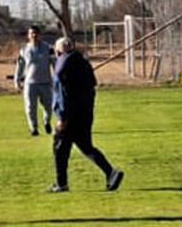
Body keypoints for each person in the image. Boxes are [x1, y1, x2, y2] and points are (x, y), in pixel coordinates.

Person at [50, 37, 125, 194]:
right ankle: (111, 172)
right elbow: (92, 87)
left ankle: (61, 183)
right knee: (86, 146)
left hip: (69, 115)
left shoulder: (62, 67)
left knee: (60, 149)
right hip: (85, 113)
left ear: (58, 51)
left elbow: (62, 95)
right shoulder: (84, 63)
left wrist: (62, 117)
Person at [14, 25, 55, 137]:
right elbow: (19, 66)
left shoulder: (48, 48)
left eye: (36, 33)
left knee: (48, 106)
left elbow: (55, 64)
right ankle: (34, 128)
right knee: (30, 107)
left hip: (45, 82)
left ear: (40, 35)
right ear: (28, 35)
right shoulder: (24, 50)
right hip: (30, 83)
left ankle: (47, 122)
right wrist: (17, 81)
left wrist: (58, 79)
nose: (34, 35)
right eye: (32, 33)